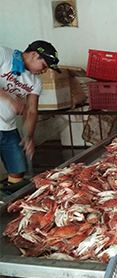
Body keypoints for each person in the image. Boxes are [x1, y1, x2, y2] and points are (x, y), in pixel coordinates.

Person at [0, 40, 61, 186]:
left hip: (8, 127)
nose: (44, 71)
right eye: (44, 66)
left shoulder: (35, 80)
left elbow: (32, 110)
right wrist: (10, 100)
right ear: (34, 55)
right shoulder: (4, 54)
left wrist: (29, 136)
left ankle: (10, 200)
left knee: (17, 168)